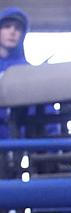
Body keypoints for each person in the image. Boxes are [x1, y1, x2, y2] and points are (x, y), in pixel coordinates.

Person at [0, 6, 28, 140]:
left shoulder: (29, 72)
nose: (12, 32)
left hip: (19, 142)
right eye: (7, 26)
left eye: (18, 28)